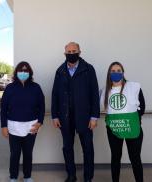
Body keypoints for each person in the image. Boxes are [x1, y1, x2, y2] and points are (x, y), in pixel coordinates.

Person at [51, 42, 100, 182]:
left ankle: (88, 178)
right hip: (65, 117)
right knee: (67, 148)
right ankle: (71, 175)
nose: (71, 53)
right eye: (69, 51)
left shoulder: (88, 69)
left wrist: (94, 116)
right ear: (64, 53)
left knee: (88, 149)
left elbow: (94, 94)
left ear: (79, 52)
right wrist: (55, 115)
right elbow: (55, 94)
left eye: (74, 51)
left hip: (85, 117)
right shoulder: (60, 71)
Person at [100, 61, 145, 182]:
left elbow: (142, 107)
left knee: (135, 158)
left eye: (118, 71)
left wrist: (131, 120)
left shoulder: (133, 87)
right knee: (115, 158)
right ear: (109, 73)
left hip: (132, 128)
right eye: (113, 71)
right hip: (114, 129)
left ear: (123, 72)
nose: (116, 73)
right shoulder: (105, 91)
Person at [0, 61, 45, 182]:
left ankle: (27, 176)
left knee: (28, 153)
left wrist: (40, 122)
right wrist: (3, 126)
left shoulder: (36, 88)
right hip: (13, 126)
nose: (23, 73)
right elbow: (3, 108)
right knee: (14, 154)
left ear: (30, 73)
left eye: (26, 70)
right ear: (16, 72)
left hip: (31, 126)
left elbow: (42, 106)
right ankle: (13, 176)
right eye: (21, 70)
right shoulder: (10, 88)